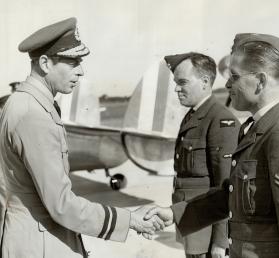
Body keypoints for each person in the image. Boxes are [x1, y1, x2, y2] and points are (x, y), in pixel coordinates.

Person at [145, 33, 279, 258]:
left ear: (260, 81)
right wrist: (174, 214)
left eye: (234, 76)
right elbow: (231, 195)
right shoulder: (255, 129)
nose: (228, 83)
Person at [0, 17, 164, 258]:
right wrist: (130, 219)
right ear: (45, 63)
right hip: (40, 243)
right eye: (73, 62)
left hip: (35, 235)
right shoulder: (32, 114)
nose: (81, 71)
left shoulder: (24, 103)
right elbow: (61, 205)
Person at [164, 52, 240, 258]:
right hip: (192, 223)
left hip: (206, 231)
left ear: (205, 81)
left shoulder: (220, 120)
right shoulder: (193, 115)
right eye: (175, 82)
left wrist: (220, 241)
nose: (176, 88)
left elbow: (226, 187)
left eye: (182, 82)